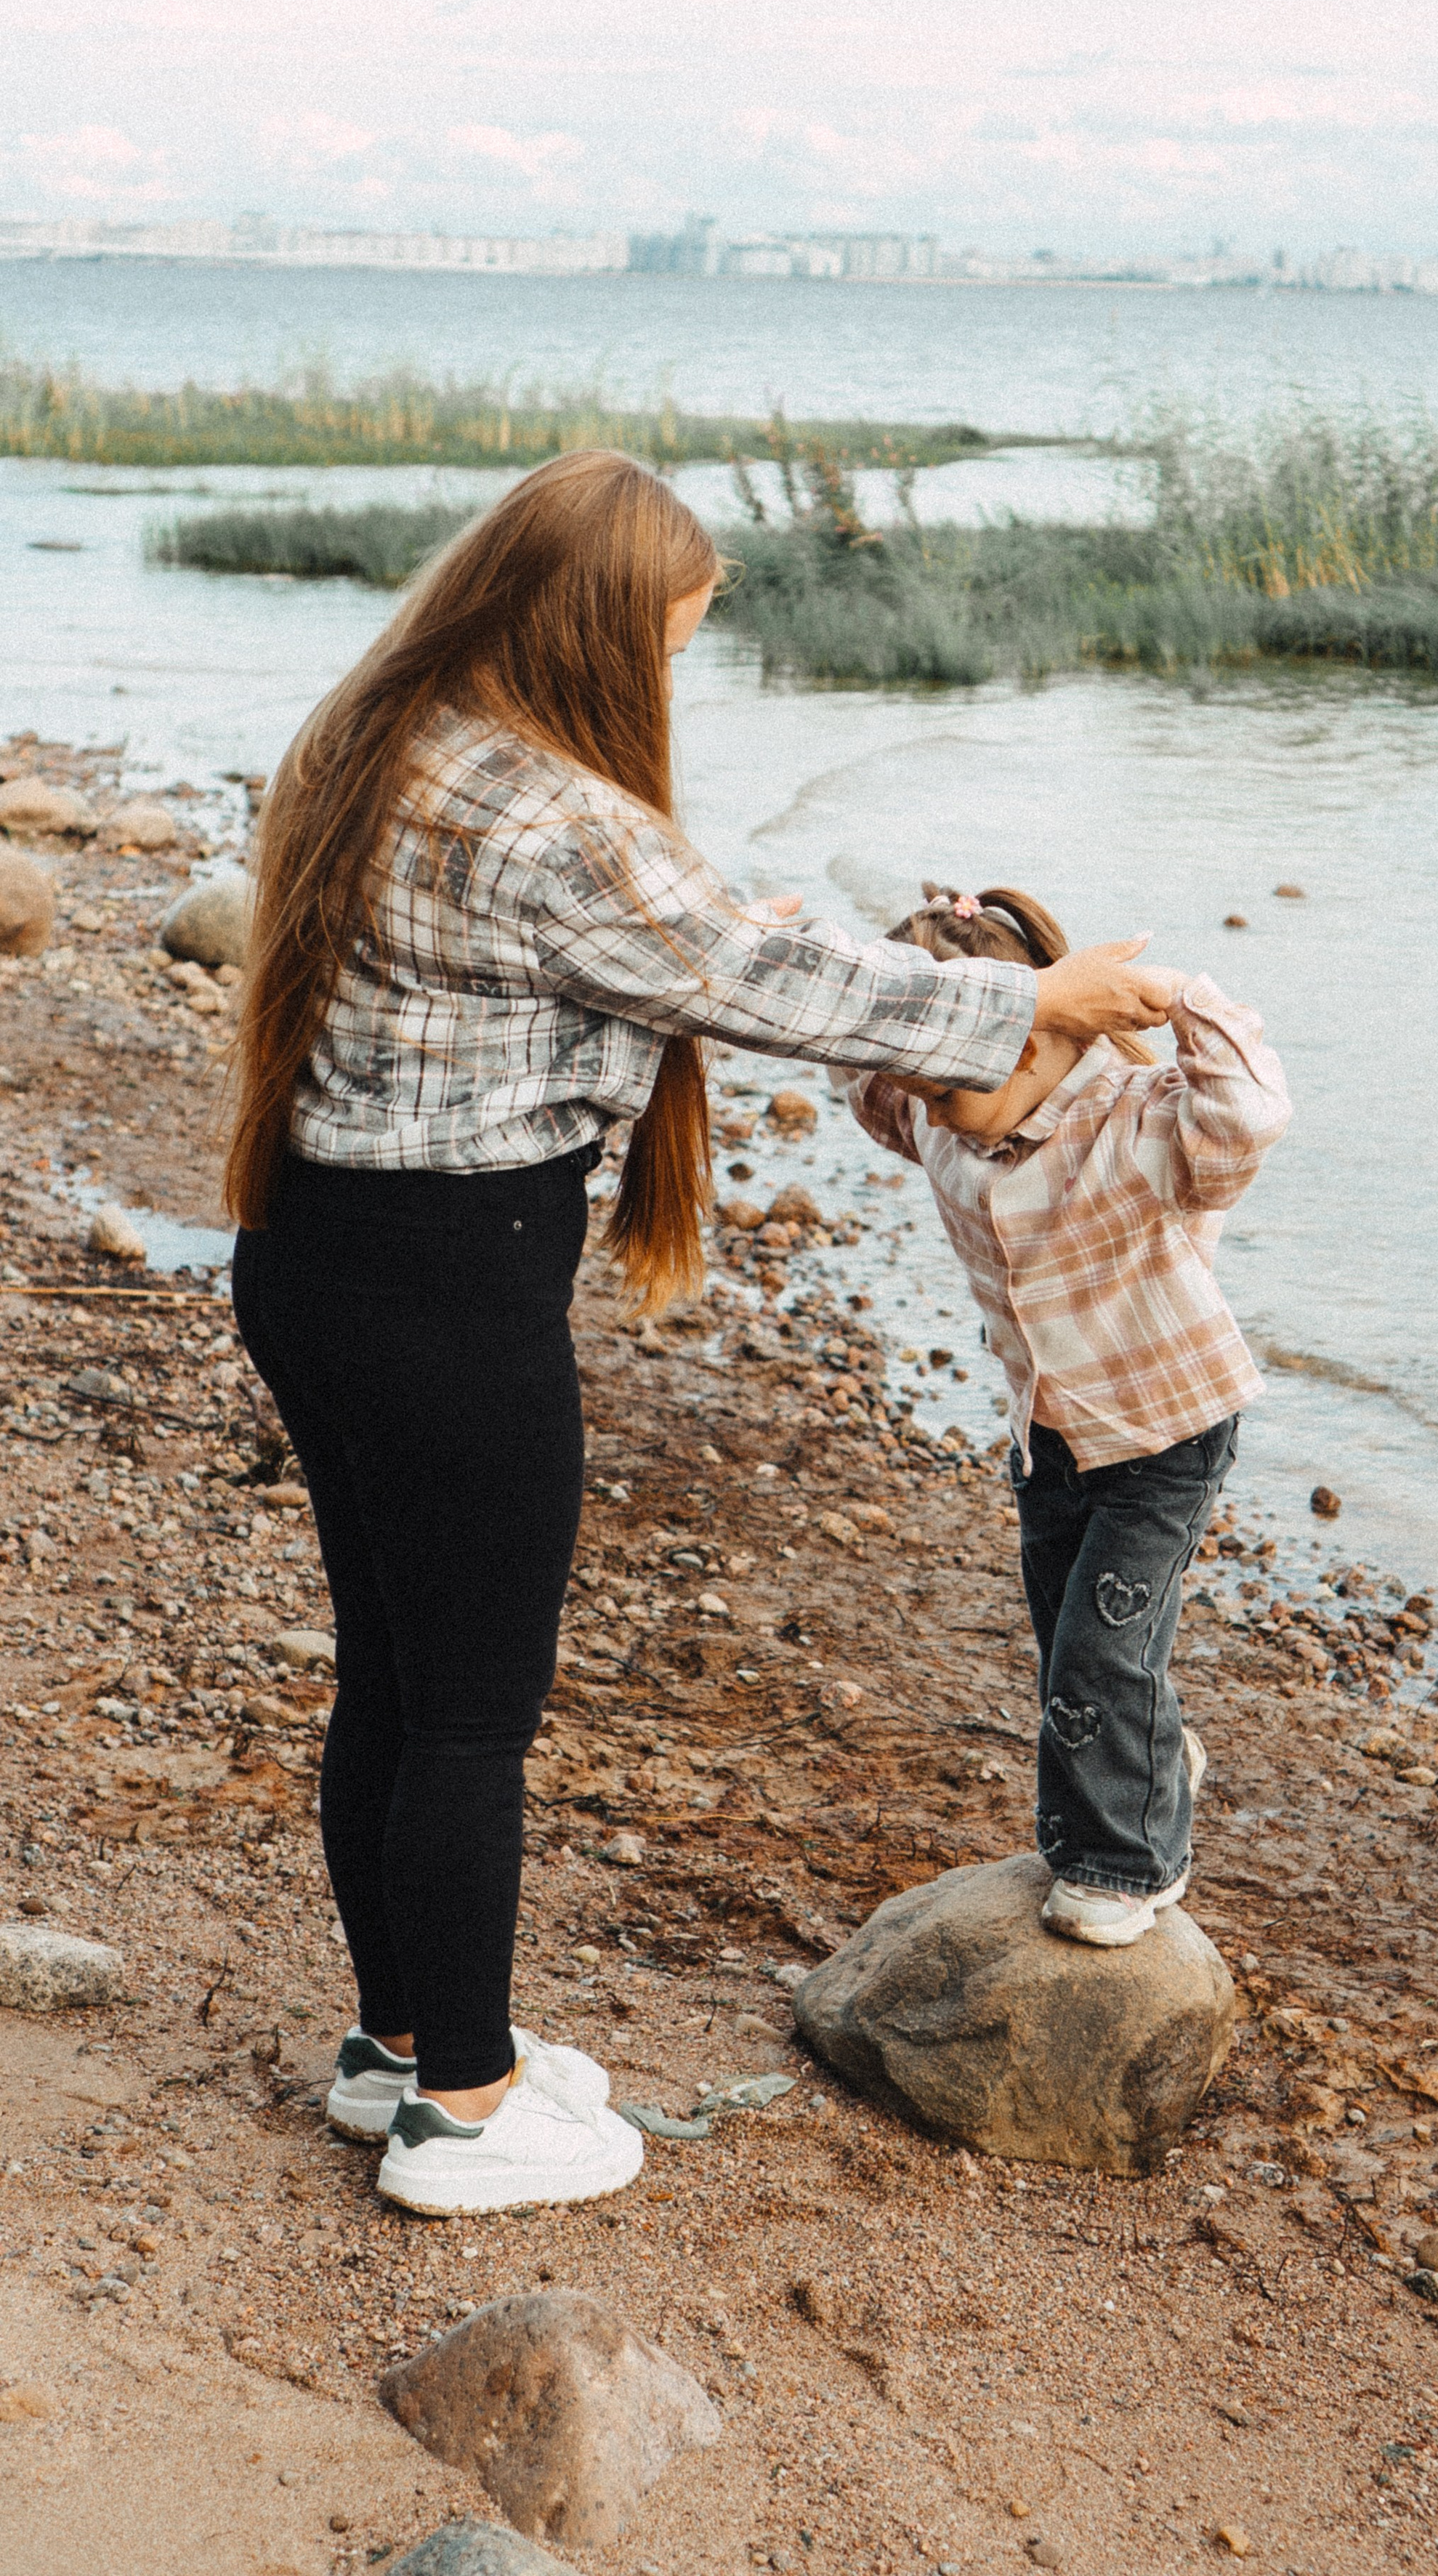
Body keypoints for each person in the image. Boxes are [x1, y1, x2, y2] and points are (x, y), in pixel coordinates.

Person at [224, 455, 1176, 2216]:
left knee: (398, 1673)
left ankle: (399, 2046)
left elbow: (696, 930)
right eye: (668, 639)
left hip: (310, 1251)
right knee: (469, 1721)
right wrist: (1033, 999)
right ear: (591, 630)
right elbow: (752, 978)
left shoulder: (385, 726)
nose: (671, 673)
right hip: (446, 1291)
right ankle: (465, 2111)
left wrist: (859, 950)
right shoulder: (545, 815)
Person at [836, 882, 1291, 1948]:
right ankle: (1155, 1764)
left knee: (1099, 1654)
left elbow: (1254, 1114)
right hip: (1048, 1436)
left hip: (1166, 1431)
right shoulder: (941, 1123)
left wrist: (1179, 996)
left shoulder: (1139, 1118)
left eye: (955, 1076)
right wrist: (805, 946)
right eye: (925, 1080)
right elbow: (856, 1060)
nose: (933, 1104)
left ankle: (1128, 1865)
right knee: (1072, 1650)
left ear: (1045, 1039)